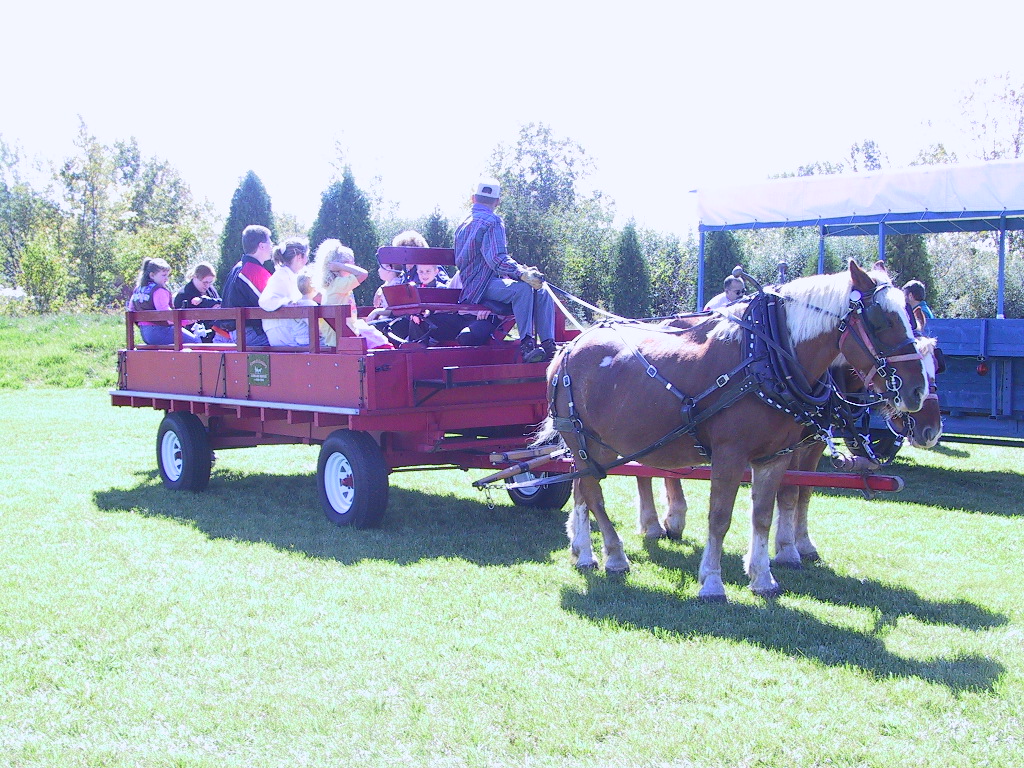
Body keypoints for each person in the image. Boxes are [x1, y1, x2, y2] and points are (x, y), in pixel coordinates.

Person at [453, 179, 555, 363]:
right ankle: (528, 346)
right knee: (523, 289)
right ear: (497, 202)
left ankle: (548, 346)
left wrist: (522, 272)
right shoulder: (492, 221)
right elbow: (496, 259)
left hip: (470, 286)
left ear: (473, 198)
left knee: (541, 289)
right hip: (483, 286)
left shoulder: (463, 223)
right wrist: (522, 273)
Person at [128, 257, 202, 345]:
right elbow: (166, 315)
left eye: (167, 275)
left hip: (145, 333)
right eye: (163, 275)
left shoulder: (138, 289)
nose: (166, 278)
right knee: (196, 342)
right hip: (159, 331)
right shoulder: (159, 291)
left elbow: (131, 309)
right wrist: (185, 321)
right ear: (152, 275)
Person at [221, 225, 274, 346]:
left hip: (240, 331)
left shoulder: (239, 267)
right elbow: (271, 303)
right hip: (251, 333)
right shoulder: (253, 270)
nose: (272, 246)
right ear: (262, 245)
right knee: (292, 345)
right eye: (270, 242)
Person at [316, 239, 372, 347]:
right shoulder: (338, 285)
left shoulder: (336, 285)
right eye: (351, 264)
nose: (354, 267)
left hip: (340, 337)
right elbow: (363, 274)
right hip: (341, 340)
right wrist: (341, 266)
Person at [259, 238, 313, 346]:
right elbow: (264, 301)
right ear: (299, 257)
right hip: (283, 333)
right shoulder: (281, 276)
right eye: (306, 256)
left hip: (287, 331)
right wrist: (287, 303)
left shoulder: (289, 275)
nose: (307, 260)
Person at [174, 262, 221, 342]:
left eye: (210, 282)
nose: (208, 286)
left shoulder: (211, 290)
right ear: (195, 277)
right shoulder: (183, 295)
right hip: (194, 337)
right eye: (205, 282)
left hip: (215, 333)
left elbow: (220, 302)